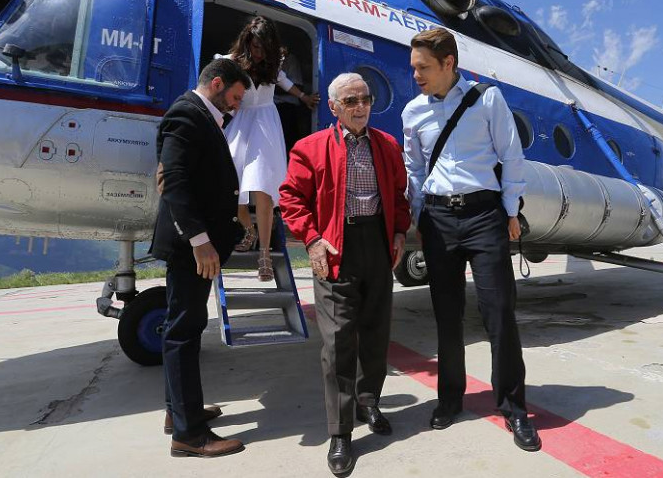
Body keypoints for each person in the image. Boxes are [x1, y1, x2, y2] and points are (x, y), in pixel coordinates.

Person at [401, 28, 541, 452]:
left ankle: (514, 407)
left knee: (499, 311)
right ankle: (450, 398)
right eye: (414, 68)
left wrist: (511, 211)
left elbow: (511, 156)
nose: (416, 75)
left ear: (448, 63)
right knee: (447, 314)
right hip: (438, 218)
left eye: (423, 67)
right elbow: (414, 169)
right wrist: (419, 216)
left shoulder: (487, 100)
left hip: (484, 215)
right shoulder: (413, 112)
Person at [279, 73, 411, 476]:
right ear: (334, 107)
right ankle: (341, 432)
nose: (361, 106)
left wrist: (400, 232)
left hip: (378, 242)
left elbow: (399, 194)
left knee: (375, 331)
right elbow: (291, 198)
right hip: (336, 246)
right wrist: (312, 239)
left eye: (366, 98)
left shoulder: (387, 145)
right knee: (338, 341)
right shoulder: (309, 148)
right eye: (351, 101)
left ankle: (369, 401)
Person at [150, 58, 250, 458]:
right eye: (236, 97)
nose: (237, 105)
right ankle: (189, 435)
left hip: (197, 245)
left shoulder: (200, 116)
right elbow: (174, 180)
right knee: (184, 331)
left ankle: (179, 412)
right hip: (191, 247)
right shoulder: (187, 115)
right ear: (218, 84)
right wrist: (199, 240)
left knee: (185, 328)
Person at [224, 16, 319, 280]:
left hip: (265, 124)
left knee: (263, 188)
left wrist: (304, 98)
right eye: (255, 46)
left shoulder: (274, 63)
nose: (259, 53)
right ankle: (249, 230)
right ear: (247, 42)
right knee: (231, 186)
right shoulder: (231, 62)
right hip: (241, 123)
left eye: (264, 48)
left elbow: (285, 82)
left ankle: (264, 254)